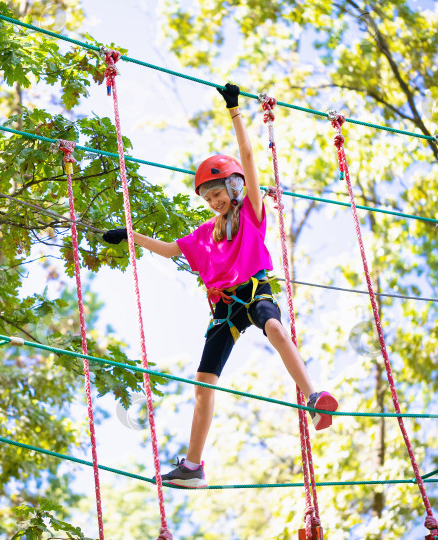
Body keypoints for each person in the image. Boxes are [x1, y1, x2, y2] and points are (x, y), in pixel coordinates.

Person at [101, 83, 338, 488]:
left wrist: (235, 111)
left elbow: (248, 159)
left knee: (276, 328)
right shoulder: (204, 234)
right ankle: (193, 467)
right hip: (224, 308)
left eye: (218, 193)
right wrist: (130, 236)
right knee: (203, 381)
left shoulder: (251, 213)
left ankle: (313, 397)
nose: (213, 202)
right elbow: (171, 250)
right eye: (208, 198)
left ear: (233, 188)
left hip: (255, 292)